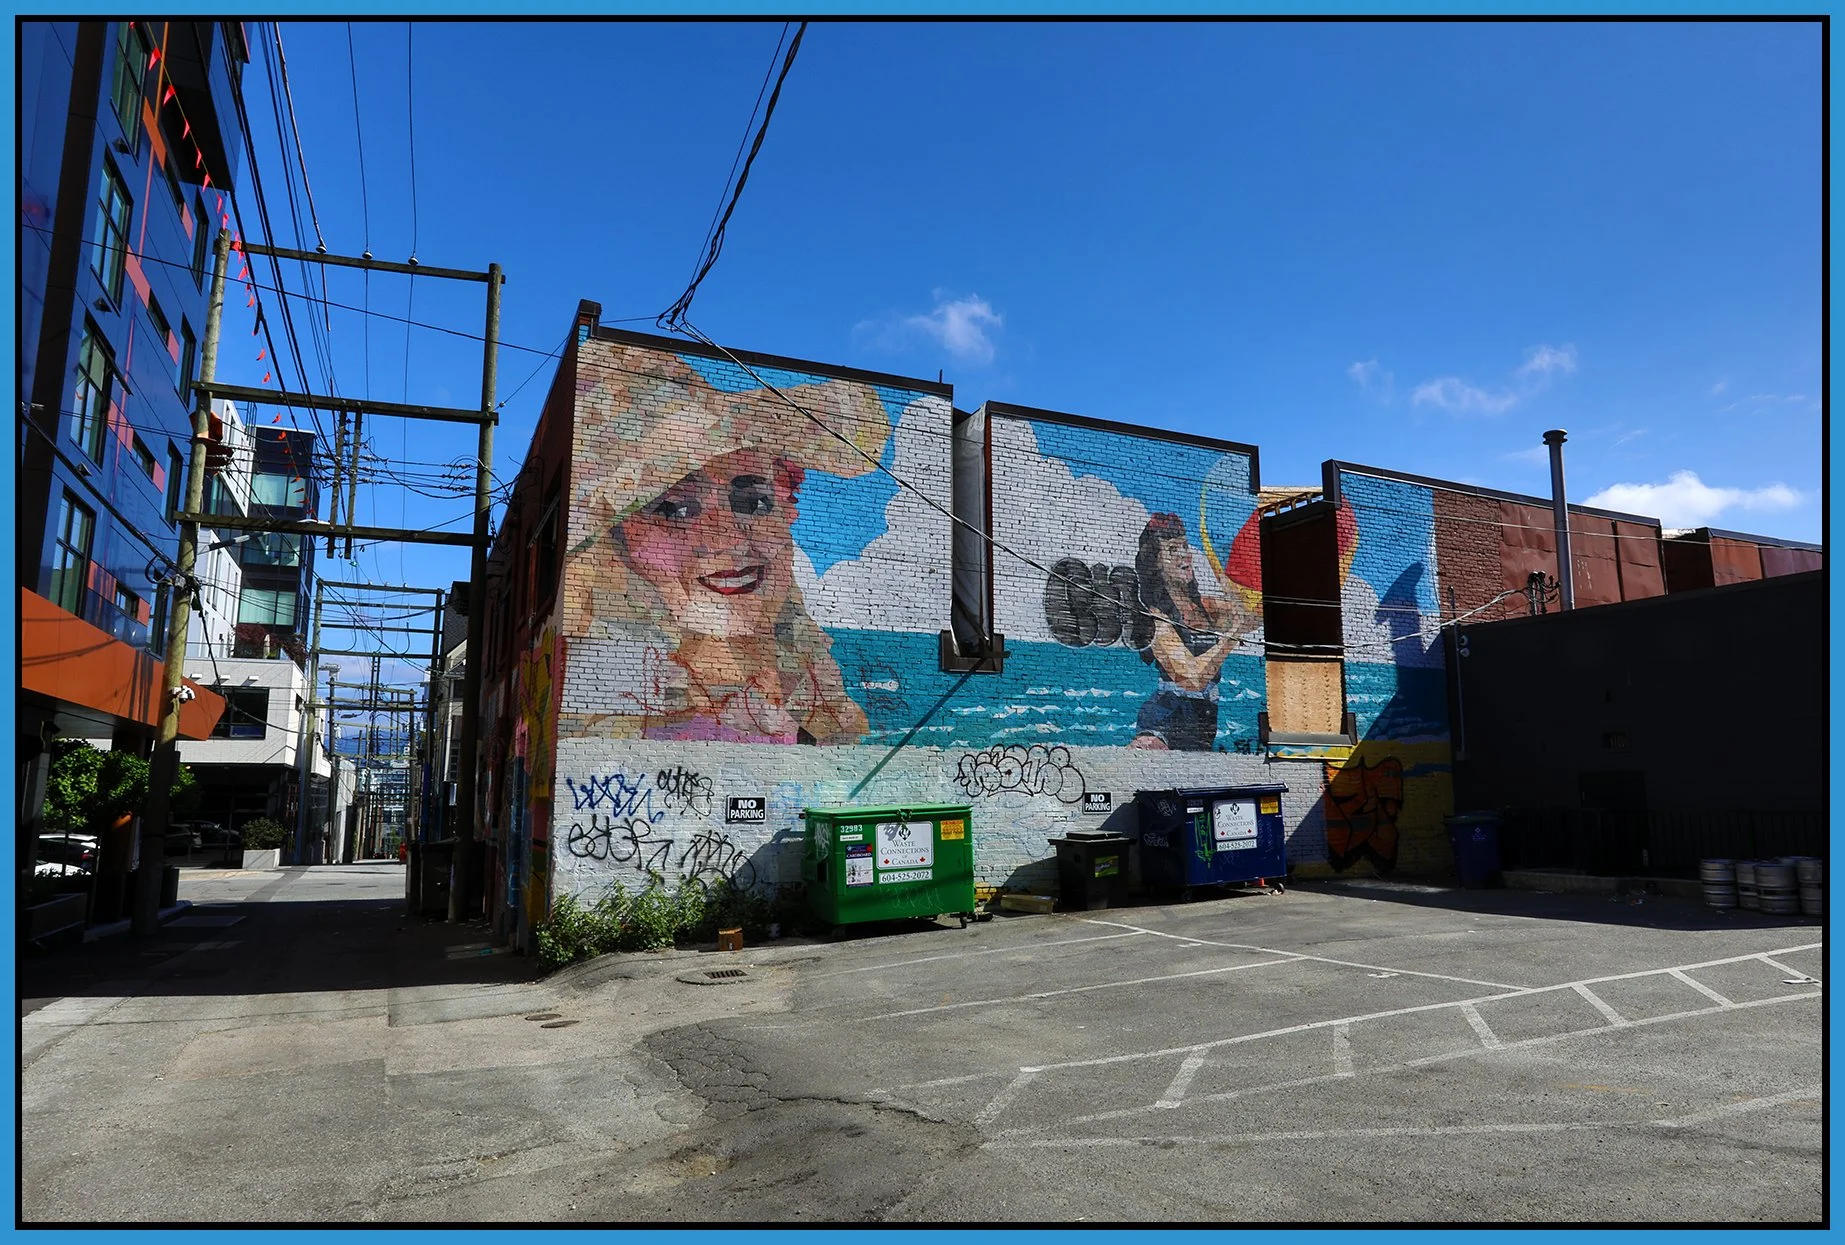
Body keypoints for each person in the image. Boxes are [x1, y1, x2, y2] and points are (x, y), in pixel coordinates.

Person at [567, 350, 891, 744]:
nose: (727, 539)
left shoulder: (807, 680)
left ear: (787, 509)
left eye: (754, 503)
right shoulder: (615, 690)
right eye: (674, 509)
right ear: (618, 542)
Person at [1128, 512, 1246, 751]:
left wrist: (1230, 585)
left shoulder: (1206, 607)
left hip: (1203, 720)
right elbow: (1190, 678)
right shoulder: (1156, 617)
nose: (1185, 554)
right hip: (1168, 717)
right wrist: (1232, 635)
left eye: (1184, 546)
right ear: (1156, 564)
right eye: (1172, 549)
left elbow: (1251, 612)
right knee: (1147, 754)